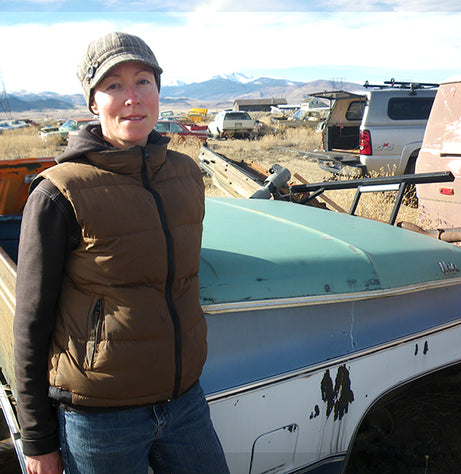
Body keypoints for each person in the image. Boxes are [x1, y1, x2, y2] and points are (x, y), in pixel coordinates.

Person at [13, 31, 229, 474]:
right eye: (113, 86)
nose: (132, 97)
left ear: (158, 92)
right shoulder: (60, 192)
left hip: (185, 401)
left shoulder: (186, 175)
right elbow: (31, 322)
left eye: (143, 81)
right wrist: (38, 440)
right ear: (93, 103)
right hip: (99, 417)